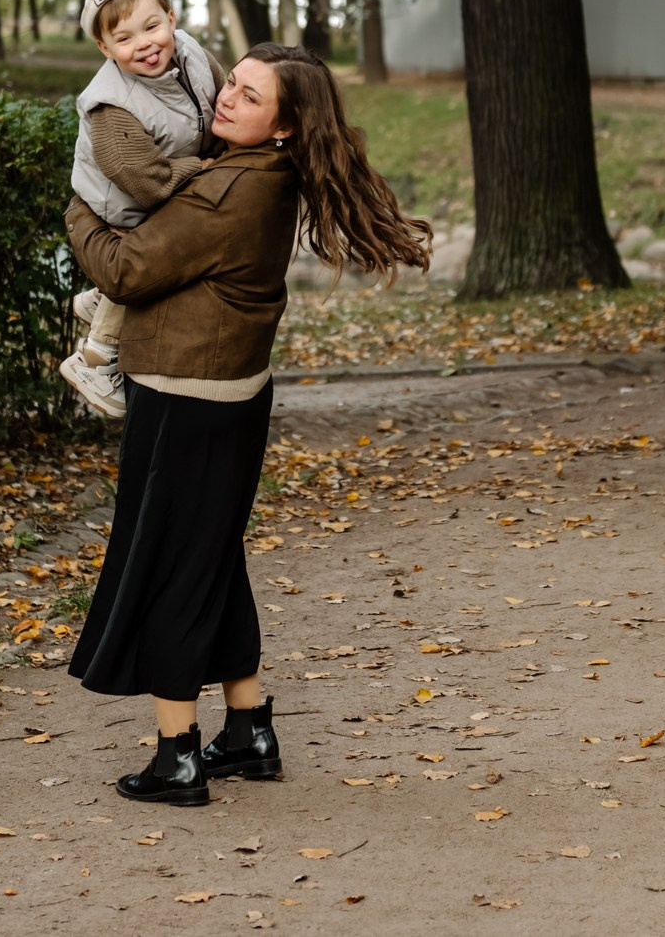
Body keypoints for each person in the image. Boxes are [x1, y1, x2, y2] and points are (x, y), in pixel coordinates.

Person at [64, 42, 432, 806]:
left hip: (185, 399)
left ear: (285, 127)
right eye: (230, 82)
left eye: (250, 96)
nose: (227, 99)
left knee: (170, 562)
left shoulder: (230, 190)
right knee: (211, 559)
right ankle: (247, 729)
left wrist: (79, 211)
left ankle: (177, 756)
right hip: (229, 394)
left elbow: (126, 269)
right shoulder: (263, 175)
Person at [60, 0, 224, 418]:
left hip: (162, 174)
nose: (145, 44)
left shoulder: (192, 55)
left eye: (152, 26)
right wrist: (198, 167)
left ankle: (96, 300)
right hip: (124, 198)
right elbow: (142, 180)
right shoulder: (112, 102)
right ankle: (96, 358)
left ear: (172, 18)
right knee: (144, 258)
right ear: (105, 48)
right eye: (125, 39)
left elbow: (215, 98)